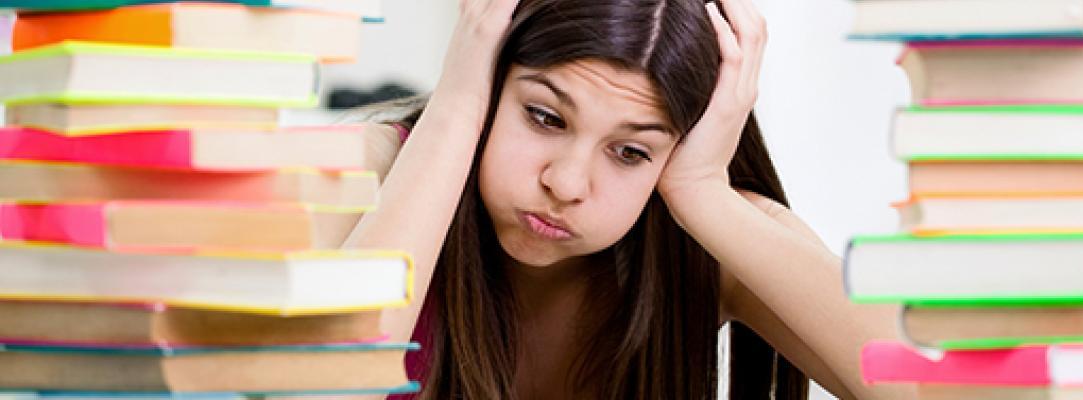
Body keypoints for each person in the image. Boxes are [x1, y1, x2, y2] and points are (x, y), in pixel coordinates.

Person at [342, 0, 911, 398]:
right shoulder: (374, 171)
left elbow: (933, 387)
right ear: (491, 77)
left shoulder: (702, 235)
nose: (566, 184)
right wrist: (457, 108)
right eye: (544, 117)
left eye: (630, 152)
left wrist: (702, 192)